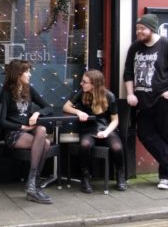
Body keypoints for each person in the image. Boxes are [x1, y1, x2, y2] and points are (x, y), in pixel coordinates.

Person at [63, 69, 127, 193]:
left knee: (117, 147)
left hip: (106, 128)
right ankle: (85, 178)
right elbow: (66, 106)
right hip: (88, 129)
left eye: (84, 82)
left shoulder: (109, 96)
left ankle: (120, 175)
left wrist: (106, 132)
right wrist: (78, 111)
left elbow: (115, 120)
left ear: (94, 84)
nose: (81, 84)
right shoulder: (82, 93)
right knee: (85, 145)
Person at [0, 59, 53, 204]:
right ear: (18, 74)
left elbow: (48, 107)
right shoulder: (6, 92)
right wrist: (22, 127)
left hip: (28, 133)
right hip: (13, 134)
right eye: (26, 72)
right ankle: (34, 185)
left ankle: (32, 184)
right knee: (45, 143)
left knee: (42, 131)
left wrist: (37, 114)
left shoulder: (29, 89)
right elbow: (2, 121)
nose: (29, 75)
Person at [124, 14, 168, 190]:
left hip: (162, 100)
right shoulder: (135, 47)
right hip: (142, 102)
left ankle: (165, 177)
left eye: (142, 28)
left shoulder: (165, 45)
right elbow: (128, 72)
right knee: (144, 134)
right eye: (137, 28)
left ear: (152, 28)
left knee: (165, 136)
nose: (139, 32)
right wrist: (129, 93)